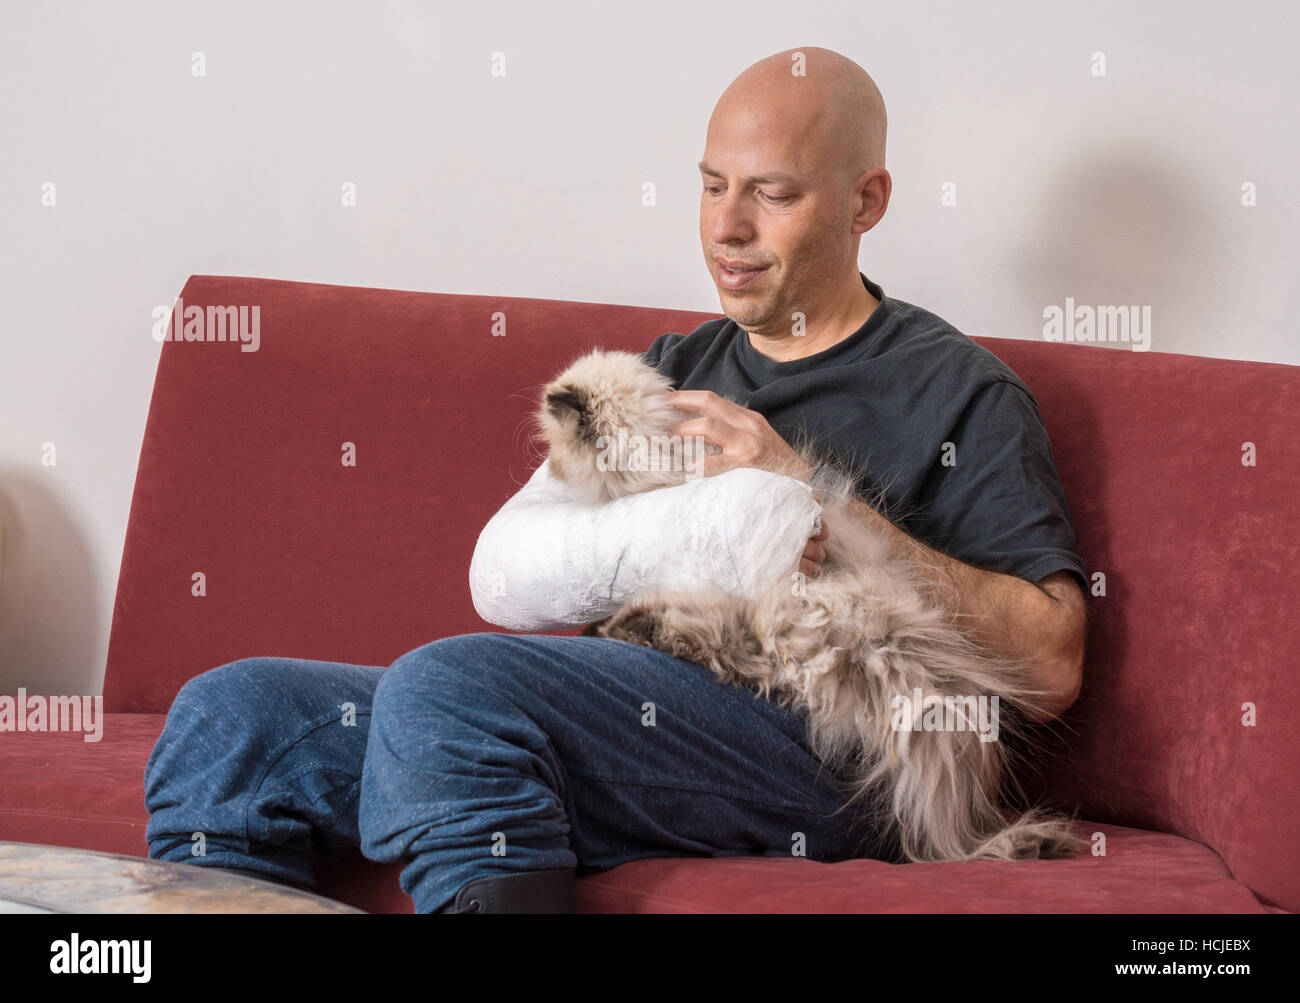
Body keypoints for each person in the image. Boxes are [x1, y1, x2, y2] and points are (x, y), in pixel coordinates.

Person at [144, 46, 1087, 914]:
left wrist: (810, 489)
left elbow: (1050, 663)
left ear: (865, 200)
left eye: (773, 193)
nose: (729, 226)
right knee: (235, 714)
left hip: (837, 753)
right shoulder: (671, 365)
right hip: (638, 708)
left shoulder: (960, 390)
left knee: (450, 687)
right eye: (712, 186)